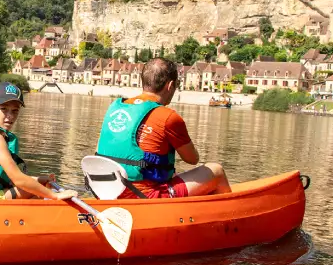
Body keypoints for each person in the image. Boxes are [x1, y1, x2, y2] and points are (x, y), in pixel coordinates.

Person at [94, 58, 231, 198]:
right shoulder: (168, 117)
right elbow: (192, 159)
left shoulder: (115, 107)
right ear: (170, 85)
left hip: (107, 191)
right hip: (143, 195)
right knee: (216, 170)